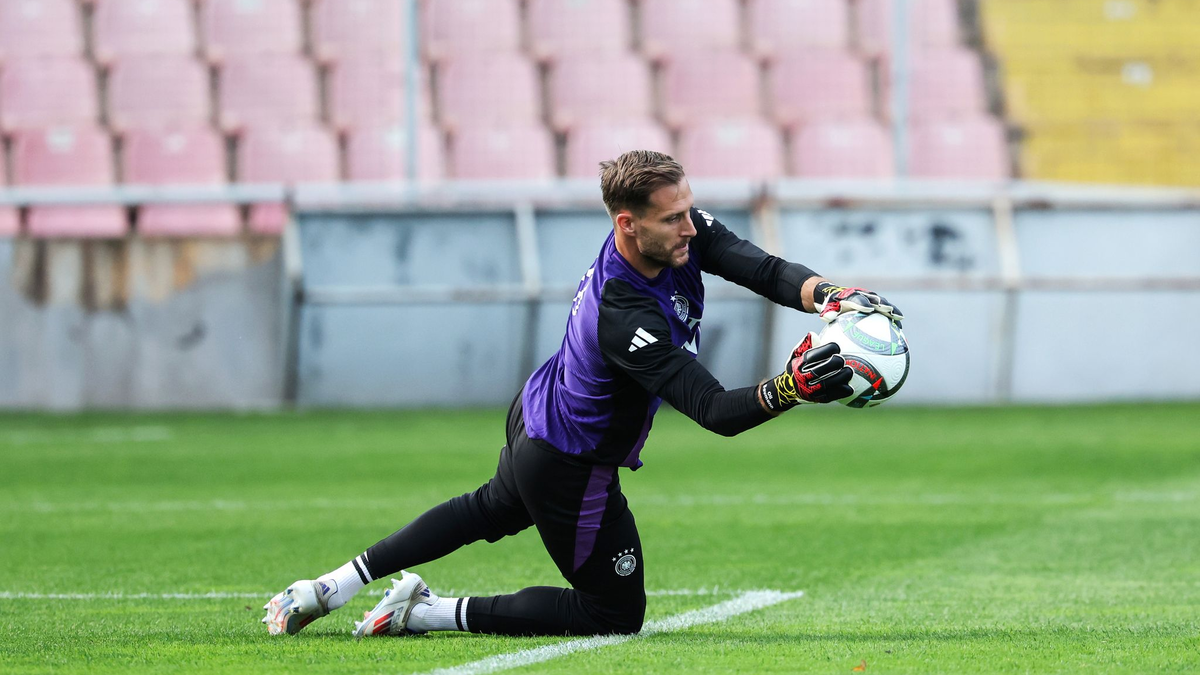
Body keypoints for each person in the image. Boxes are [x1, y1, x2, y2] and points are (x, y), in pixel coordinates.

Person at [262, 150, 902, 638]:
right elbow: (713, 412)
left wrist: (826, 295)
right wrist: (791, 387)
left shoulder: (670, 236)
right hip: (571, 460)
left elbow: (757, 266)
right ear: (628, 224)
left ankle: (333, 585)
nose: (691, 228)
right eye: (673, 219)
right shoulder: (625, 314)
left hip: (542, 412)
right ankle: (429, 615)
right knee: (615, 612)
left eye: (688, 210)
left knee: (487, 509)